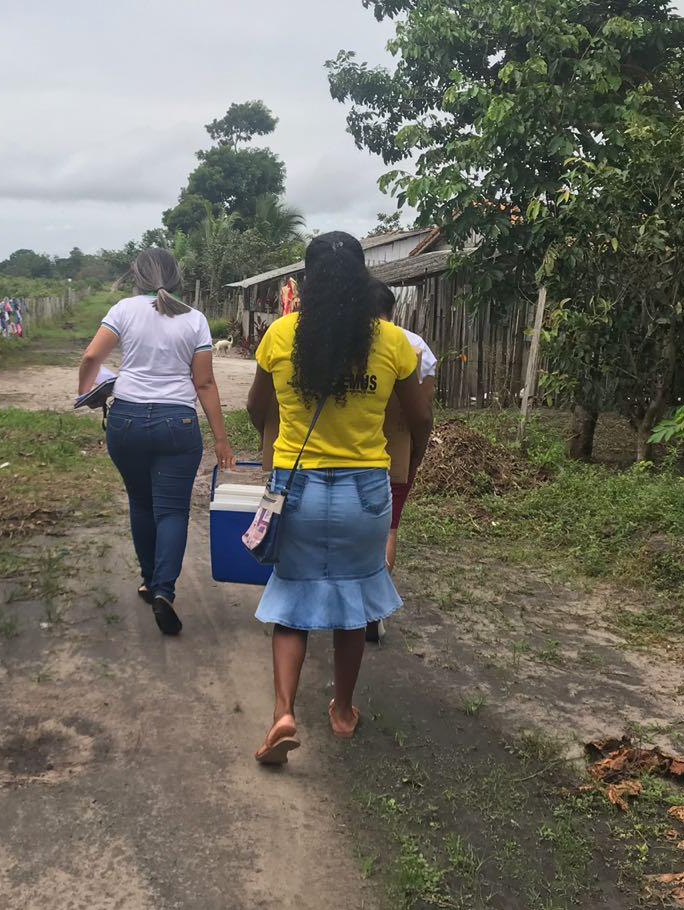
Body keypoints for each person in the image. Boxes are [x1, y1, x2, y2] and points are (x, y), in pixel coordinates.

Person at [245, 232, 431, 765]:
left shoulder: (280, 335)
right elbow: (419, 420)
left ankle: (283, 713)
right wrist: (410, 470)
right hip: (364, 494)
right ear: (363, 279)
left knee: (292, 605)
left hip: (296, 489)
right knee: (354, 607)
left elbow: (258, 407)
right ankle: (343, 710)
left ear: (306, 282)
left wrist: (274, 446)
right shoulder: (394, 343)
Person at [78, 249, 235, 636]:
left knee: (141, 502)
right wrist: (221, 439)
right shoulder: (195, 319)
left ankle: (149, 580)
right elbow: (204, 383)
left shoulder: (124, 309)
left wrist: (85, 389)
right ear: (177, 277)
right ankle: (164, 589)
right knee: (171, 510)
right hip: (176, 422)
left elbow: (91, 355)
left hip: (127, 419)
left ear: (137, 275)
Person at [369, 281, 437, 642]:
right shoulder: (415, 346)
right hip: (395, 453)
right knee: (388, 529)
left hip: (353, 449)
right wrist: (416, 454)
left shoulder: (346, 340)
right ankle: (374, 612)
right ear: (392, 310)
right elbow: (423, 412)